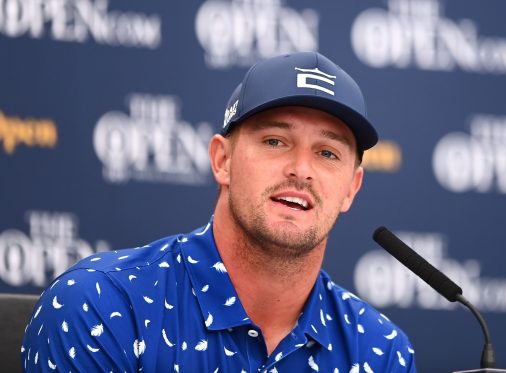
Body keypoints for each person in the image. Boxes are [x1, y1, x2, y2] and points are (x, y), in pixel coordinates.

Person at [21, 52, 416, 372]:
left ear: (351, 188)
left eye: (327, 153)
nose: (301, 168)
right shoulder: (101, 307)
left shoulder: (380, 351)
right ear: (222, 160)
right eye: (276, 141)